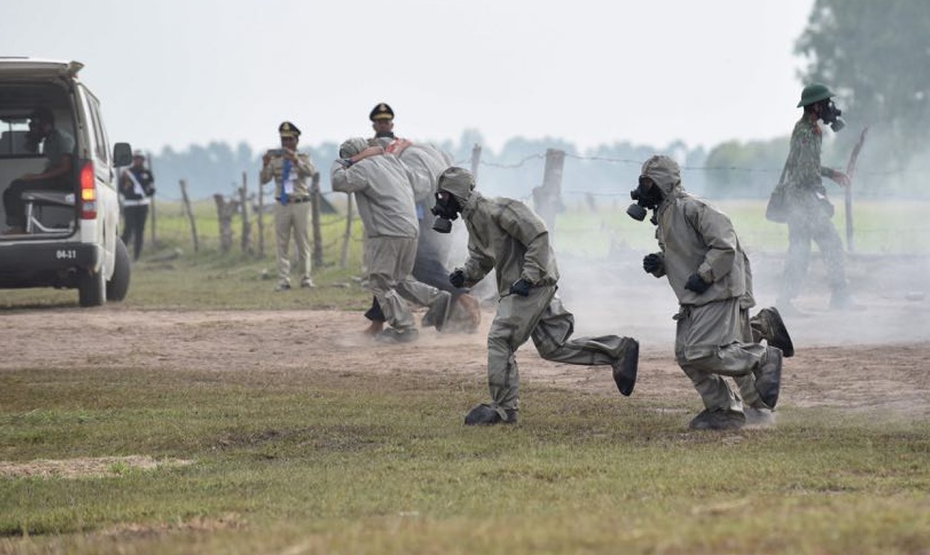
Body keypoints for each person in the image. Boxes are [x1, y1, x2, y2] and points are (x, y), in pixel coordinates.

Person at [433, 166, 640, 425]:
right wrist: (465, 275)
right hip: (525, 285)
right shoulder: (473, 218)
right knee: (553, 347)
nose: (440, 203)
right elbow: (482, 256)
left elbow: (538, 234)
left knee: (500, 339)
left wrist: (529, 276)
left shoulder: (498, 209)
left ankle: (503, 409)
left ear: (456, 193)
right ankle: (617, 351)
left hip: (531, 285)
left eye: (442, 196)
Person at [631, 154, 784, 431]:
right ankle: (724, 410)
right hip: (696, 297)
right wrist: (660, 264)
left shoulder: (693, 208)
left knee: (702, 352)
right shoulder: (665, 214)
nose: (642, 189)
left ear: (662, 183)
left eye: (647, 182)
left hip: (718, 290)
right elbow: (685, 253)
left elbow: (724, 246)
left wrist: (705, 275)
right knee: (686, 356)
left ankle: (762, 357)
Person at [332, 137, 455, 344]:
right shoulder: (393, 162)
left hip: (387, 233)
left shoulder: (362, 168)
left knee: (380, 282)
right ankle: (439, 298)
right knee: (400, 280)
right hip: (411, 229)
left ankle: (405, 328)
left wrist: (344, 162)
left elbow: (338, 181)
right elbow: (421, 184)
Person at [776, 83, 857, 310]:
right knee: (830, 244)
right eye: (827, 103)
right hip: (804, 201)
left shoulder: (806, 130)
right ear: (817, 107)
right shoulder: (808, 132)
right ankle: (839, 297)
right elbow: (804, 172)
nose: (831, 108)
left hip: (799, 200)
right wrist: (819, 196)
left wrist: (832, 174)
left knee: (799, 250)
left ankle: (784, 302)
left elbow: (807, 165)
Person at [259, 121, 316, 290]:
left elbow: (311, 172)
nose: (287, 143)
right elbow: (264, 180)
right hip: (282, 203)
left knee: (303, 242)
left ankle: (306, 278)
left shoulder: (304, 157)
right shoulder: (275, 159)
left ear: (296, 140)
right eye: (284, 140)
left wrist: (296, 161)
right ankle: (284, 279)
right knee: (282, 242)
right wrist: (265, 163)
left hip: (300, 202)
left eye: (290, 139)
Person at [2, 106, 75, 235]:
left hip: (65, 182)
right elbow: (53, 166)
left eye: (36, 126)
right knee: (9, 192)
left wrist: (37, 178)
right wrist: (36, 176)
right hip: (56, 180)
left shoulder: (62, 138)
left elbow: (66, 167)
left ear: (47, 126)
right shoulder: (48, 141)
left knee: (17, 186)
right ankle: (19, 226)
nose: (33, 130)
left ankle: (20, 228)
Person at [120, 150, 156, 260]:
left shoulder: (147, 173)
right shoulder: (127, 173)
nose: (138, 160)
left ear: (143, 160)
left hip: (143, 204)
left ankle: (137, 256)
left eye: (140, 158)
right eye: (136, 158)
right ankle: (122, 254)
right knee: (128, 230)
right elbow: (121, 188)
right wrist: (130, 194)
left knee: (140, 231)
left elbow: (151, 187)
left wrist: (148, 193)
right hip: (130, 204)